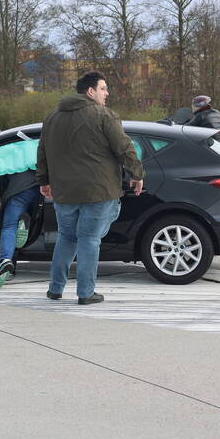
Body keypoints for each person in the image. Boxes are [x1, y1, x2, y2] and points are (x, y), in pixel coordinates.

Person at [36, 71, 143, 305]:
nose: (107, 93)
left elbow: (42, 151)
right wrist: (137, 173)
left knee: (67, 237)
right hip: (98, 190)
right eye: (103, 88)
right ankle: (85, 293)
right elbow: (123, 147)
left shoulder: (52, 117)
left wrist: (44, 180)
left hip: (64, 192)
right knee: (89, 239)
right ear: (90, 91)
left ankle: (55, 289)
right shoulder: (104, 115)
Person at [0, 139, 41, 289]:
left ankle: (5, 261)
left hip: (16, 193)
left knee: (9, 226)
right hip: (39, 191)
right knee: (33, 213)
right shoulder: (37, 147)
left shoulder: (4, 151)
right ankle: (25, 220)